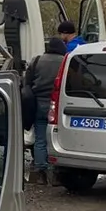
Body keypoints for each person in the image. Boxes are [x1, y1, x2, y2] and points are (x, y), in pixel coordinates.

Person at [22, 36, 68, 184]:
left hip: (39, 105)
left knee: (40, 139)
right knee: (57, 139)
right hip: (58, 106)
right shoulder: (65, 62)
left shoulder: (36, 60)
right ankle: (56, 174)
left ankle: (40, 173)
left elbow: (27, 82)